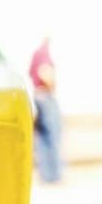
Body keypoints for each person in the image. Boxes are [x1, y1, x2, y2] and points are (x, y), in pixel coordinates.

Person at [30, 36, 64, 184]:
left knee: (42, 138)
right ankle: (55, 176)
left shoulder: (35, 54)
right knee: (53, 136)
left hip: (38, 95)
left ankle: (45, 175)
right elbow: (45, 72)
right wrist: (53, 87)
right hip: (46, 95)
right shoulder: (44, 53)